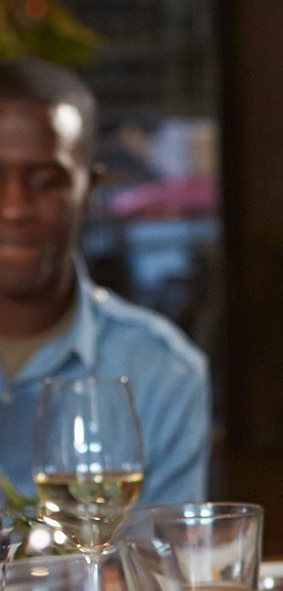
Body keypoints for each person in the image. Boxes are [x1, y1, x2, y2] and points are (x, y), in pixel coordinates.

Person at [0, 58, 209, 506]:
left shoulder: (163, 371)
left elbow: (166, 567)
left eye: (44, 181)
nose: (14, 207)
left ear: (89, 191)